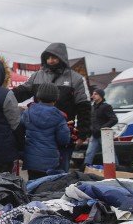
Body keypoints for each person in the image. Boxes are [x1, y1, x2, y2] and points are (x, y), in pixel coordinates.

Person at [12, 42, 90, 172]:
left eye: (54, 57)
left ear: (62, 58)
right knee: (36, 176)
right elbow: (22, 92)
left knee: (59, 176)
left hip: (63, 135)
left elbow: (84, 108)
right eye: (48, 58)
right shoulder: (37, 75)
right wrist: (4, 95)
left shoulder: (76, 79)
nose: (50, 61)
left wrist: (82, 134)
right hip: (38, 137)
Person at [20, 83, 71, 179]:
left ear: (38, 97)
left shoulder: (28, 112)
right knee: (47, 189)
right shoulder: (59, 116)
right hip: (51, 162)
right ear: (55, 99)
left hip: (31, 160)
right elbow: (64, 140)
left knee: (32, 186)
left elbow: (19, 131)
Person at [83, 88, 118, 167]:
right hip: (94, 135)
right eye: (93, 94)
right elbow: (91, 122)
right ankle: (85, 168)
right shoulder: (92, 107)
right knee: (89, 153)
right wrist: (88, 135)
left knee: (109, 153)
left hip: (104, 135)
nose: (93, 96)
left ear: (101, 96)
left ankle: (116, 168)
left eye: (96, 94)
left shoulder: (106, 106)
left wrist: (103, 128)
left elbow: (114, 119)